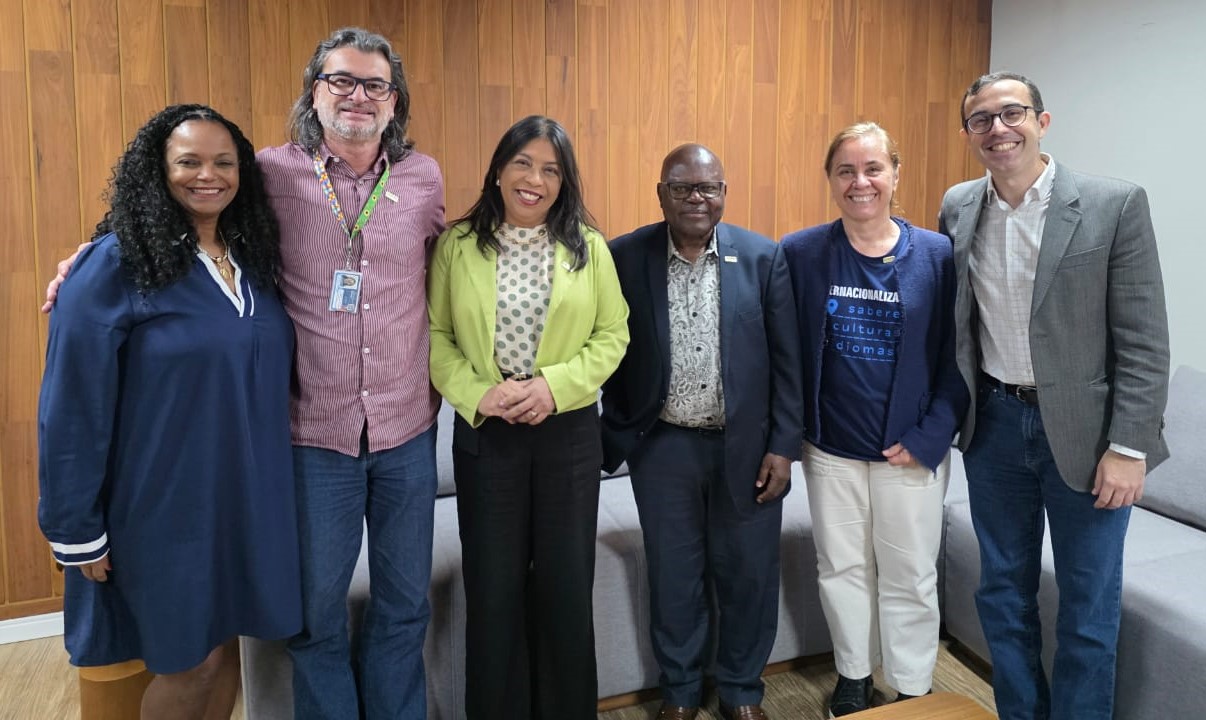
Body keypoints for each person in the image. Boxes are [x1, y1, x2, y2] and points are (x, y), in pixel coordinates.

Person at [43, 27, 446, 720]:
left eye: (374, 84)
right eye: (341, 80)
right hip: (313, 438)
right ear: (314, 92)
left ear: (395, 100)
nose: (357, 95)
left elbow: (450, 265)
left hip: (407, 432)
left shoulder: (425, 178)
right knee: (313, 619)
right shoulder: (271, 173)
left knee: (406, 607)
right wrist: (91, 253)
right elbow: (185, 202)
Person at [37, 104, 300, 720]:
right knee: (188, 663)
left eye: (223, 162)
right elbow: (71, 404)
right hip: (161, 507)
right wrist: (75, 528)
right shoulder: (114, 264)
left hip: (248, 501)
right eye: (188, 161)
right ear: (157, 170)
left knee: (231, 653)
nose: (207, 175)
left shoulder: (255, 263)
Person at [939, 71, 1170, 720]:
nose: (998, 129)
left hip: (1090, 437)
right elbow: (954, 326)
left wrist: (1130, 446)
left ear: (1043, 121)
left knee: (1088, 605)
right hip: (994, 432)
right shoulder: (958, 205)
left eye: (1012, 113)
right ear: (968, 135)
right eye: (981, 120)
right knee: (1003, 595)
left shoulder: (1112, 204)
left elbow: (1145, 340)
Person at [427, 115, 629, 719]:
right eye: (523, 163)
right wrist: (479, 395)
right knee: (493, 591)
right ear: (497, 169)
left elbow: (613, 334)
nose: (534, 179)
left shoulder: (588, 247)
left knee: (566, 587)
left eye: (550, 169)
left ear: (564, 183)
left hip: (567, 434)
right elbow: (436, 336)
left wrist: (555, 387)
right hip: (488, 434)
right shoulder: (458, 245)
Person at [600, 144, 802, 720]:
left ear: (723, 194)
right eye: (683, 187)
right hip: (662, 447)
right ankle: (682, 691)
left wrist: (783, 447)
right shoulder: (625, 257)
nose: (696, 198)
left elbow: (789, 365)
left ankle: (741, 691)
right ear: (661, 193)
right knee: (674, 574)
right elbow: (605, 349)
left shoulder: (764, 258)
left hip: (746, 448)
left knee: (748, 573)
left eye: (708, 187)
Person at [779, 123, 968, 717]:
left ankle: (912, 685)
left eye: (873, 169)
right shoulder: (802, 253)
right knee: (841, 568)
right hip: (830, 449)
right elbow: (785, 354)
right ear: (831, 180)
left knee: (910, 573)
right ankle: (854, 676)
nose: (860, 183)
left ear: (895, 173)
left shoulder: (937, 255)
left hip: (908, 450)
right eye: (846, 171)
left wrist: (931, 436)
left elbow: (960, 356)